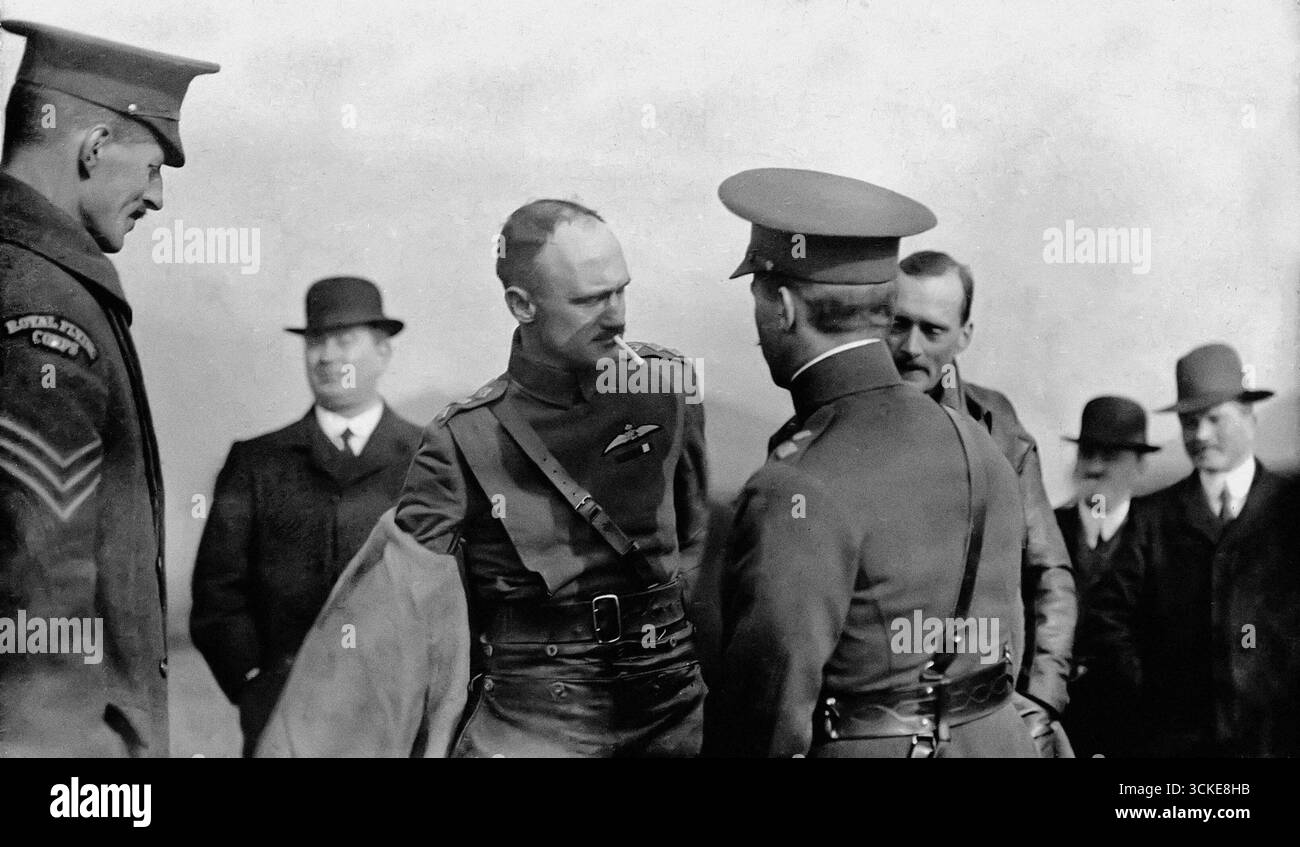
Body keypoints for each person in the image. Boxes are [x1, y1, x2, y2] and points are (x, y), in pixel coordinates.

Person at [271, 198, 708, 758]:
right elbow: (402, 612)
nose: (618, 315)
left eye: (621, 290)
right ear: (521, 304)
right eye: (590, 299)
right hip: (534, 723)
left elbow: (695, 540)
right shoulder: (462, 439)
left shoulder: (667, 388)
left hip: (671, 708)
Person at [707, 168, 1037, 758]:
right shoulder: (977, 438)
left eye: (757, 298)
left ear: (782, 307)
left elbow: (764, 718)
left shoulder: (798, 482)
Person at [0, 19, 217, 757]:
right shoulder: (46, 308)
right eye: (153, 168)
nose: (157, 199)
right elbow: (41, 586)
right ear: (93, 149)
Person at [190, 276, 422, 756]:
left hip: (401, 719)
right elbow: (217, 595)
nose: (327, 357)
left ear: (383, 353)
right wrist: (254, 686)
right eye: (316, 342)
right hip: (286, 720)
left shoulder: (428, 459)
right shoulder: (257, 462)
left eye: (344, 340)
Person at [887, 250, 1077, 756]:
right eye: (898, 324)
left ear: (965, 335)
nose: (910, 347)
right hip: (882, 721)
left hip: (981, 719)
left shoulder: (1000, 427)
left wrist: (1043, 696)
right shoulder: (846, 426)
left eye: (933, 331)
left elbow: (1050, 573)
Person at [1089, 343, 1300, 756]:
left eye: (1213, 419)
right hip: (1176, 745)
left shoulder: (1291, 508)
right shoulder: (1151, 518)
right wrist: (1154, 695)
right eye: (1189, 422)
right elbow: (1109, 621)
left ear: (1248, 417)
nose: (1200, 435)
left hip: (1278, 738)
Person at [1052, 395, 1159, 756]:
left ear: (1140, 463)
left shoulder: (1161, 533)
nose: (1095, 466)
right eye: (1088, 453)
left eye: (1110, 455)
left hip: (1137, 725)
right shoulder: (1047, 529)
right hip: (1059, 722)